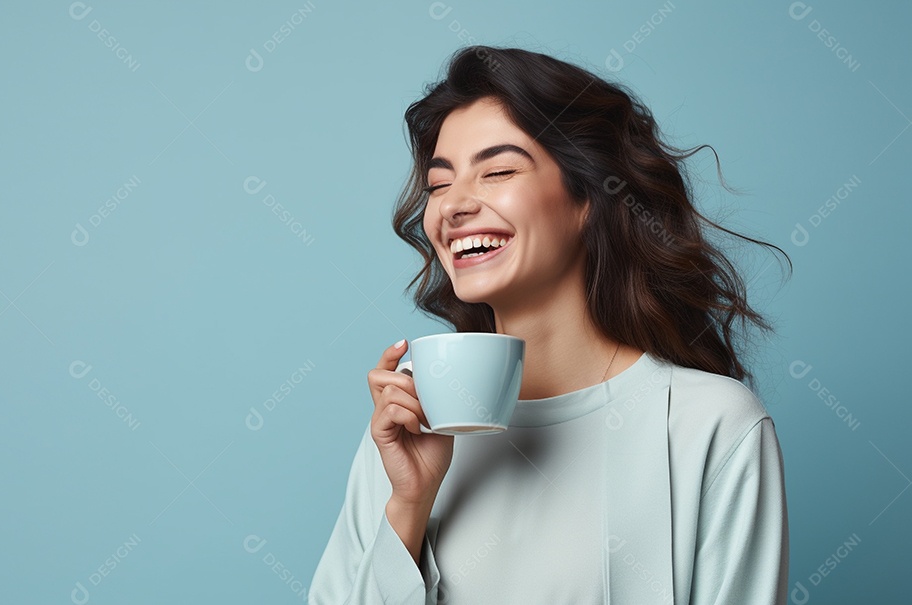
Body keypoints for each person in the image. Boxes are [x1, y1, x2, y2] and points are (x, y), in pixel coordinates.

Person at [309, 45, 790, 604]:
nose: (453, 205)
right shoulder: (408, 429)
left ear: (590, 196)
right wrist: (409, 505)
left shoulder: (709, 426)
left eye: (498, 171)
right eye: (439, 184)